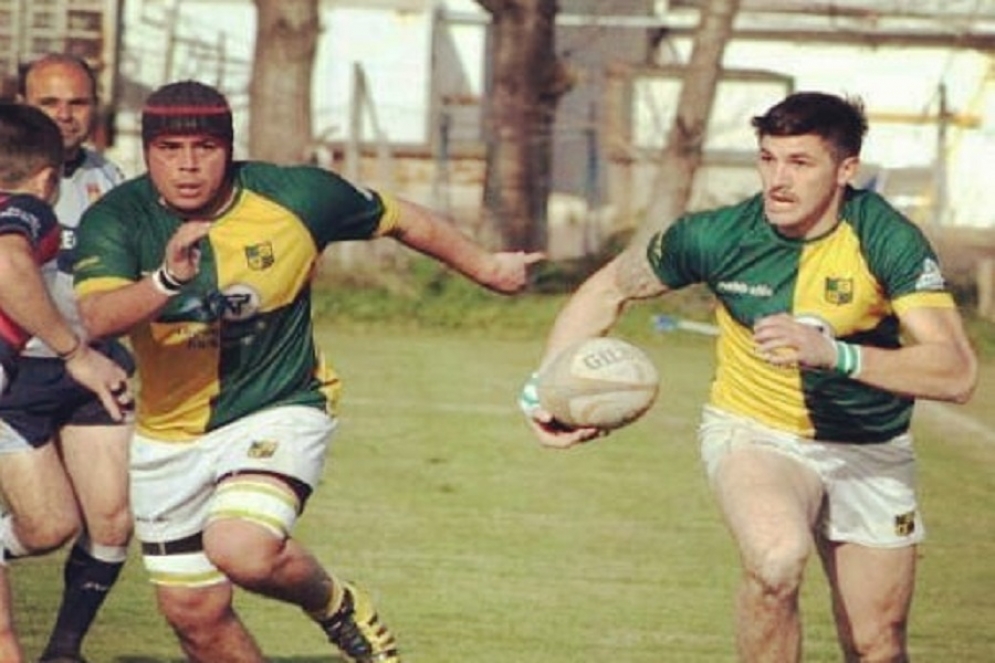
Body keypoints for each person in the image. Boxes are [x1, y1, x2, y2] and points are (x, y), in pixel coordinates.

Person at [72, 79, 542, 663]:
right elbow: (96, 317)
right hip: (170, 436)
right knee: (194, 616)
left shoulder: (296, 195)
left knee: (241, 548)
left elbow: (400, 217)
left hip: (281, 404)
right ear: (146, 151)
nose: (188, 166)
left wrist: (487, 268)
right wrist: (166, 280)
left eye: (206, 148)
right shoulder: (116, 218)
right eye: (170, 149)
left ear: (230, 146)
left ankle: (335, 605)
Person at [519, 91, 978, 662]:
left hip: (871, 447)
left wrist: (834, 354)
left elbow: (956, 372)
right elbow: (610, 288)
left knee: (877, 644)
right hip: (757, 432)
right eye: (767, 158)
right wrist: (546, 389)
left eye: (800, 163)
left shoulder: (888, 240)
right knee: (776, 561)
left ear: (846, 170)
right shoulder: (717, 236)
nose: (778, 180)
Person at [0, 54, 134, 663]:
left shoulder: (118, 180)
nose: (65, 114)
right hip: (25, 367)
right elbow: (10, 264)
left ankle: (65, 650)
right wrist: (69, 346)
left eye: (77, 102)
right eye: (49, 102)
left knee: (110, 518)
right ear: (22, 101)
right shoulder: (24, 192)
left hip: (91, 365)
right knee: (47, 525)